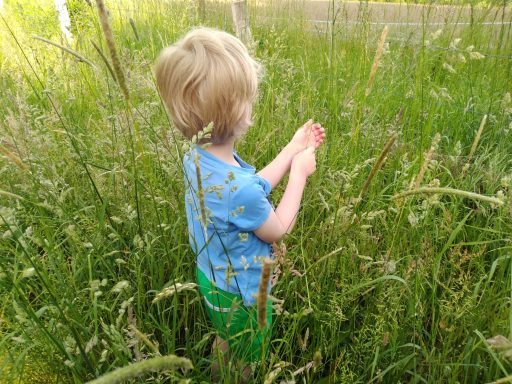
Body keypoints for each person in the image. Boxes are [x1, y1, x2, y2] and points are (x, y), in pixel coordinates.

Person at [154, 27, 325, 380]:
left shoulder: (199, 161)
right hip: (249, 290)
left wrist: (293, 147)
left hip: (211, 280)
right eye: (248, 97)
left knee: (226, 338)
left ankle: (218, 374)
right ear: (235, 112)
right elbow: (278, 229)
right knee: (252, 352)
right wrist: (299, 175)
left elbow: (250, 189)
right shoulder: (237, 187)